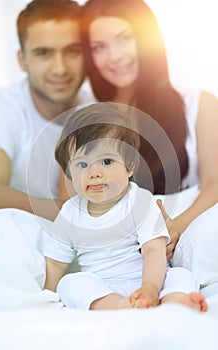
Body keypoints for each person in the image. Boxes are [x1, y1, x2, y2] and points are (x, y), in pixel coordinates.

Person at [80, 0, 218, 259]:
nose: (115, 56)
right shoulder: (87, 120)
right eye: (99, 47)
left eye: (124, 38)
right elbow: (73, 203)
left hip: (184, 234)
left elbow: (214, 183)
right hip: (121, 253)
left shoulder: (200, 104)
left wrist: (171, 229)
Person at [43, 102, 207, 312]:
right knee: (70, 284)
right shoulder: (69, 213)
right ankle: (123, 305)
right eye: (82, 165)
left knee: (180, 275)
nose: (94, 173)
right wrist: (45, 295)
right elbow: (55, 263)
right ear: (69, 172)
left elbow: (153, 251)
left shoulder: (139, 201)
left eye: (106, 162)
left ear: (129, 166)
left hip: (148, 278)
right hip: (104, 287)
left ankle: (175, 302)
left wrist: (149, 287)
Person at [0, 0, 95, 220]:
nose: (60, 69)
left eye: (72, 51)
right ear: (22, 60)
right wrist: (67, 213)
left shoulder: (96, 107)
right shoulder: (3, 107)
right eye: (44, 53)